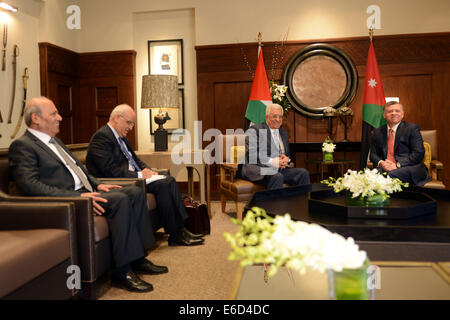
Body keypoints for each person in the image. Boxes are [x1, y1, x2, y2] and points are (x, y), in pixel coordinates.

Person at [8, 97, 168, 293]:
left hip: (86, 192)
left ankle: (138, 258)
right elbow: (30, 186)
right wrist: (77, 198)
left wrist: (97, 184)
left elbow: (79, 170)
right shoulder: (23, 145)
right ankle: (122, 272)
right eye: (53, 114)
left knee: (134, 192)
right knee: (121, 199)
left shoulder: (55, 142)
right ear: (36, 118)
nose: (59, 117)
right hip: (70, 201)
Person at [85, 104, 204, 246]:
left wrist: (149, 171)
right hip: (121, 182)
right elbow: (110, 171)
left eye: (133, 124)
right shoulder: (102, 137)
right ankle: (177, 234)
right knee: (164, 184)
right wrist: (140, 174)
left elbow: (136, 161)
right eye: (129, 123)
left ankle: (180, 230)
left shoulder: (123, 138)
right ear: (117, 118)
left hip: (135, 177)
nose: (131, 127)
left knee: (169, 180)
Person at [241, 103, 310, 189]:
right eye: (274, 116)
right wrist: (273, 161)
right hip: (258, 169)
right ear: (267, 117)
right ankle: (275, 203)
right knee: (276, 176)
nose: (278, 119)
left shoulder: (284, 133)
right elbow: (252, 155)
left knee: (303, 173)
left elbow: (286, 154)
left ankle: (302, 202)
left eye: (280, 117)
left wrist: (287, 159)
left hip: (279, 169)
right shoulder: (255, 130)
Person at [370, 101, 430, 186]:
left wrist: (397, 165)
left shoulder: (412, 129)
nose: (394, 113)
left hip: (409, 167)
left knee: (388, 176)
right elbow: (373, 154)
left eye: (397, 111)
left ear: (402, 114)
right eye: (390, 111)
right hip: (385, 168)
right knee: (369, 176)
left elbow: (418, 153)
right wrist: (381, 163)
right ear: (384, 115)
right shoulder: (377, 131)